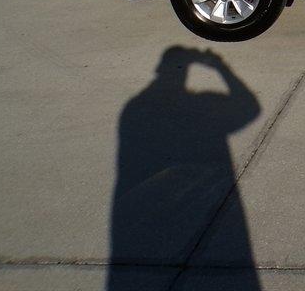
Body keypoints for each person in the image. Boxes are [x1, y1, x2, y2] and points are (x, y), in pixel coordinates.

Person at [108, 47, 261, 290]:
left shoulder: (135, 107)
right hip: (197, 193)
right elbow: (250, 108)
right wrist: (223, 69)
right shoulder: (202, 104)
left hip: (147, 207)